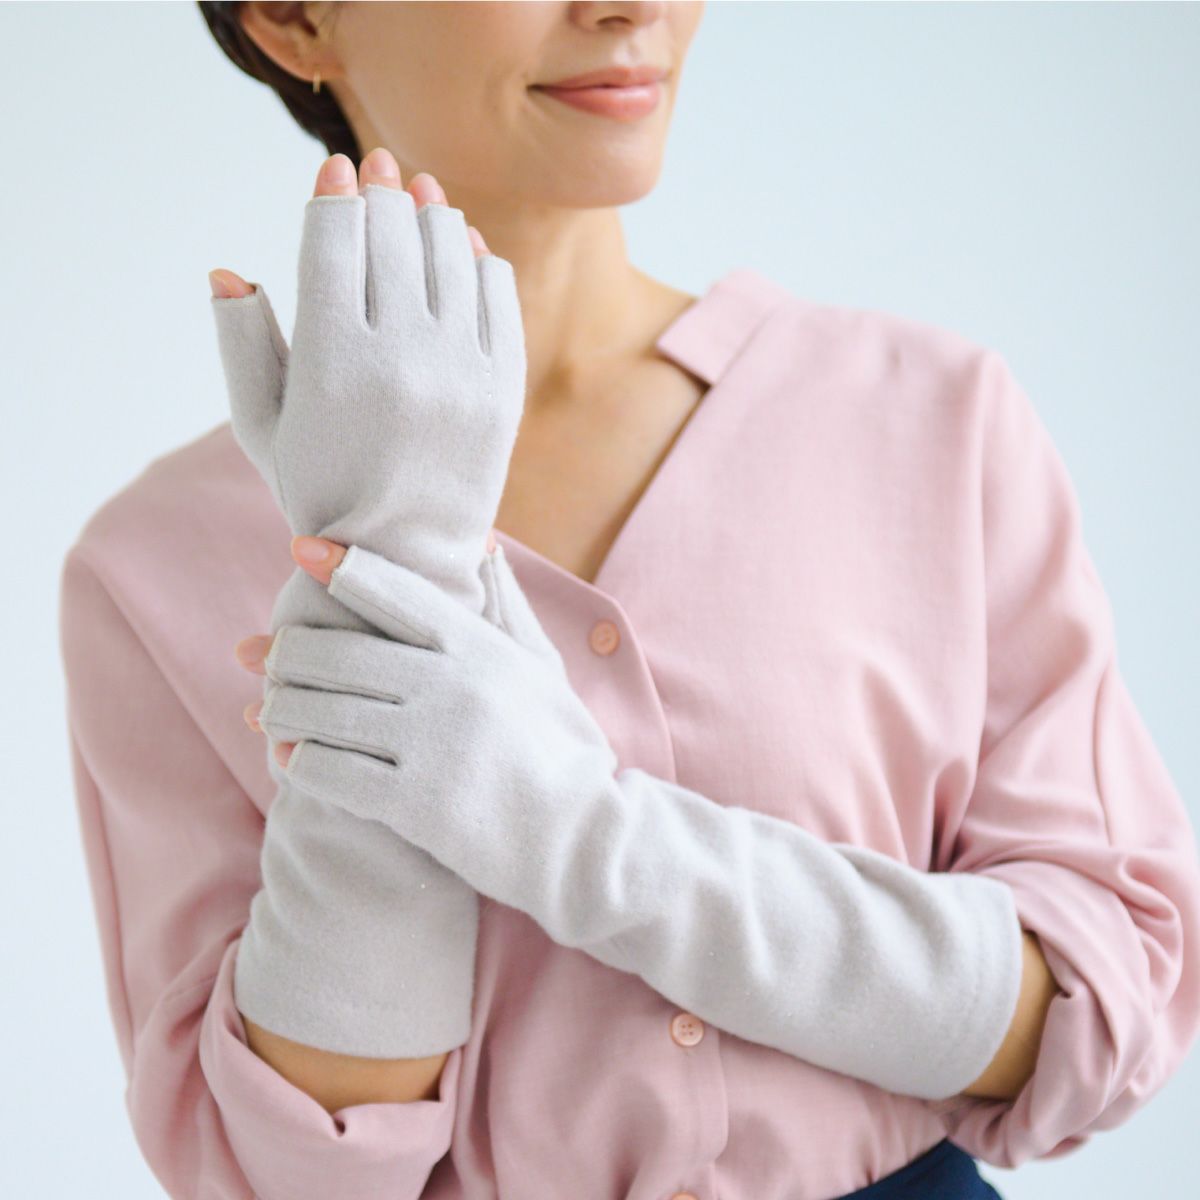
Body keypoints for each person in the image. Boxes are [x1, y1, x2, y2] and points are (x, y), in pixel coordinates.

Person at [57, 3, 1200, 1198]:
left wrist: (568, 827)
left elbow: (1097, 1011)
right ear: (295, 18)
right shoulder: (150, 569)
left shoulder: (929, 418)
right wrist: (387, 552)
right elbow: (291, 1174)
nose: (633, 7)